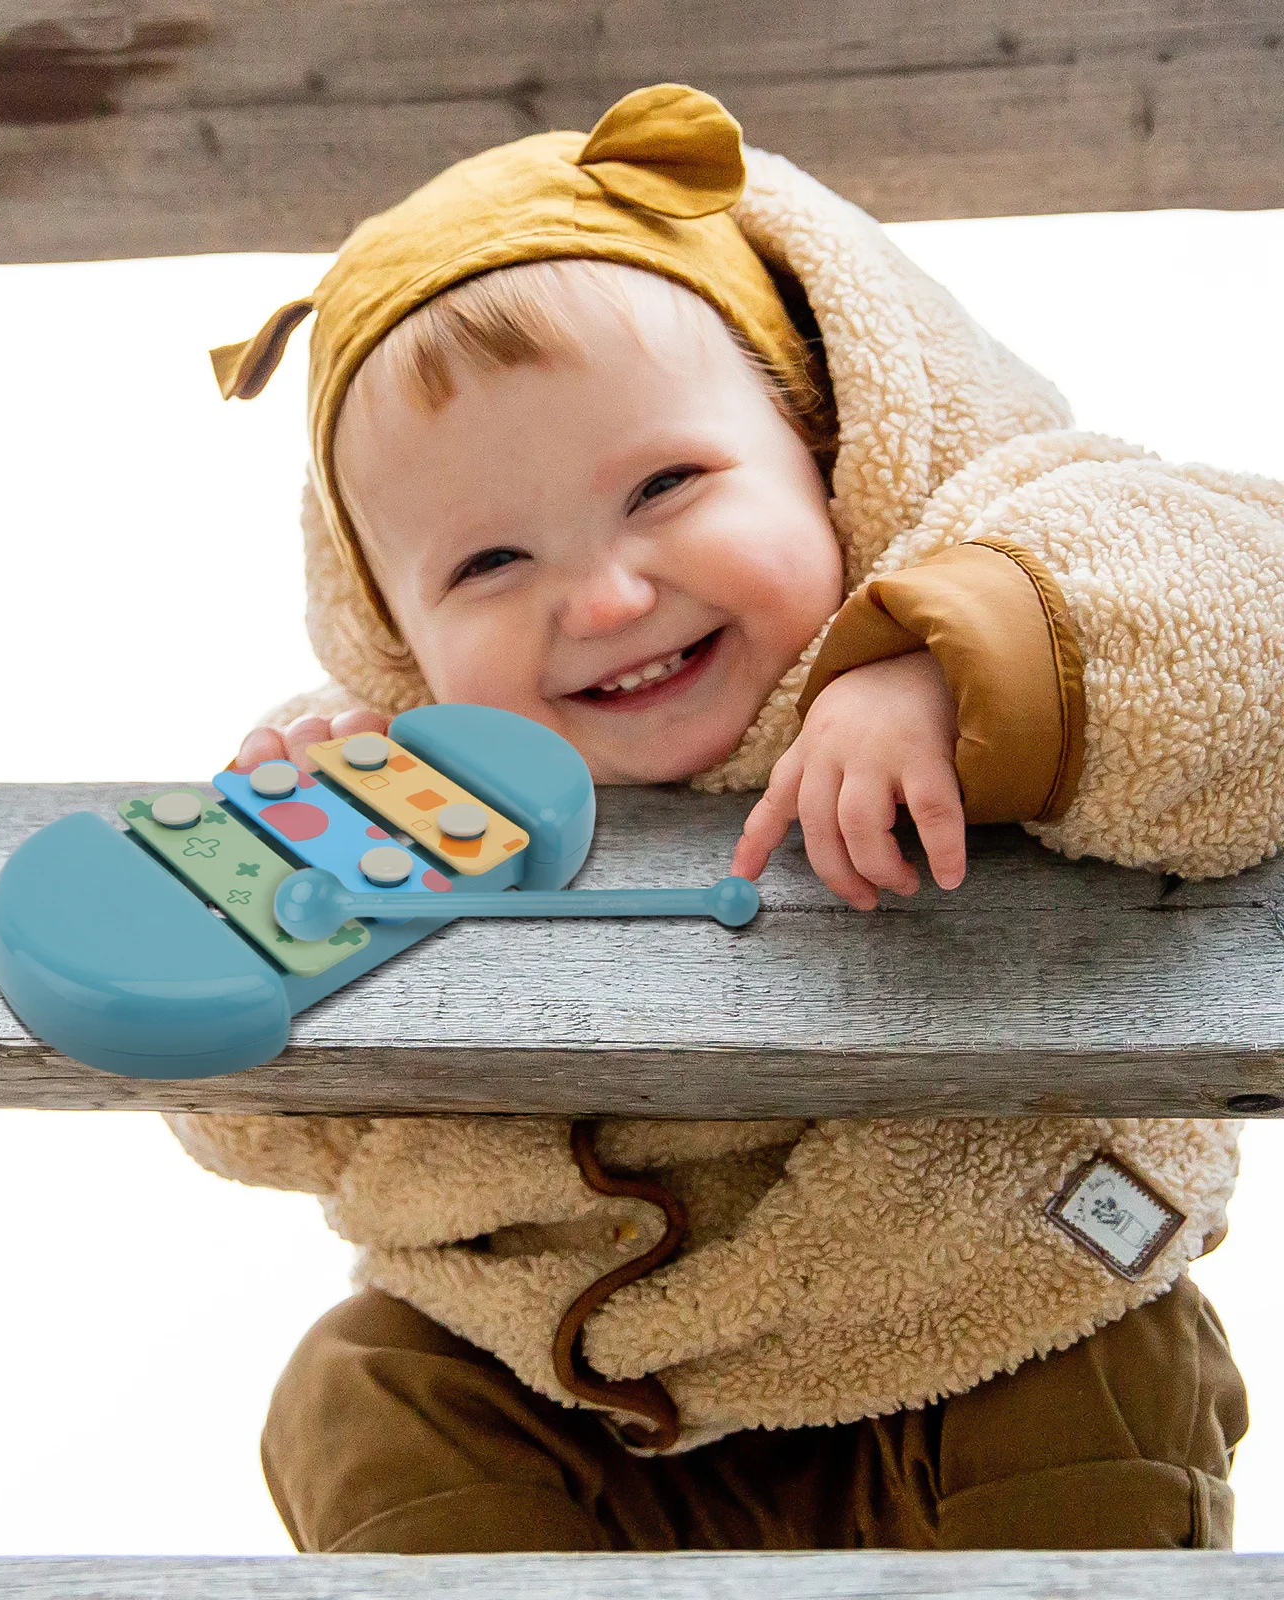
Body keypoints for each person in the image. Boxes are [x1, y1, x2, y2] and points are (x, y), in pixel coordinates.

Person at [168, 83, 1278, 1551]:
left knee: (1099, 1378)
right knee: (356, 1386)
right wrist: (286, 884)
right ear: (396, 633)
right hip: (573, 1406)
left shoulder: (1004, 548)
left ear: (826, 444)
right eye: (488, 562)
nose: (608, 596)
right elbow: (266, 1140)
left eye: (668, 485)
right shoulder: (407, 791)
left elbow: (1236, 610)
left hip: (984, 1319)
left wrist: (952, 663)